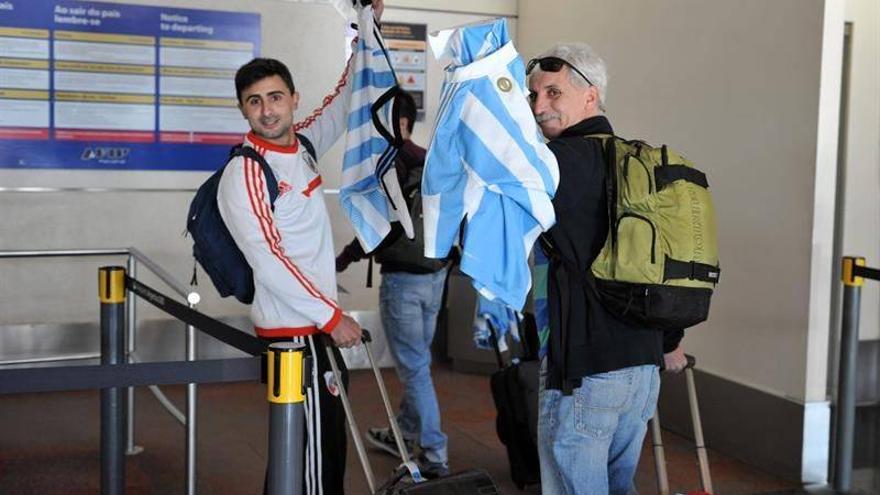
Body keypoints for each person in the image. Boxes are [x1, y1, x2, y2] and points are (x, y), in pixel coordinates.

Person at [216, 3, 385, 490]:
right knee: (311, 455)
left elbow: (345, 96)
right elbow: (267, 261)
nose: (267, 109)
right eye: (254, 101)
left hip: (317, 328)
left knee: (318, 448)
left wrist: (365, 27)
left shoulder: (303, 146)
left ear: (293, 98)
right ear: (243, 108)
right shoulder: (245, 172)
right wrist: (332, 319)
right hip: (294, 335)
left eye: (275, 97)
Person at [526, 42, 688, 494]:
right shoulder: (635, 161)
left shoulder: (559, 163)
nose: (539, 106)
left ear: (590, 97)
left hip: (585, 370)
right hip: (641, 369)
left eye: (554, 93)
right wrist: (668, 340)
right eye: (534, 95)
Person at [335, 91, 452, 479]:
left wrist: (347, 257)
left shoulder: (391, 166)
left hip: (403, 281)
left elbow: (378, 229)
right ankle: (404, 429)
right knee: (418, 360)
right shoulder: (433, 162)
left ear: (398, 123)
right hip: (436, 277)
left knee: (415, 367)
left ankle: (434, 451)